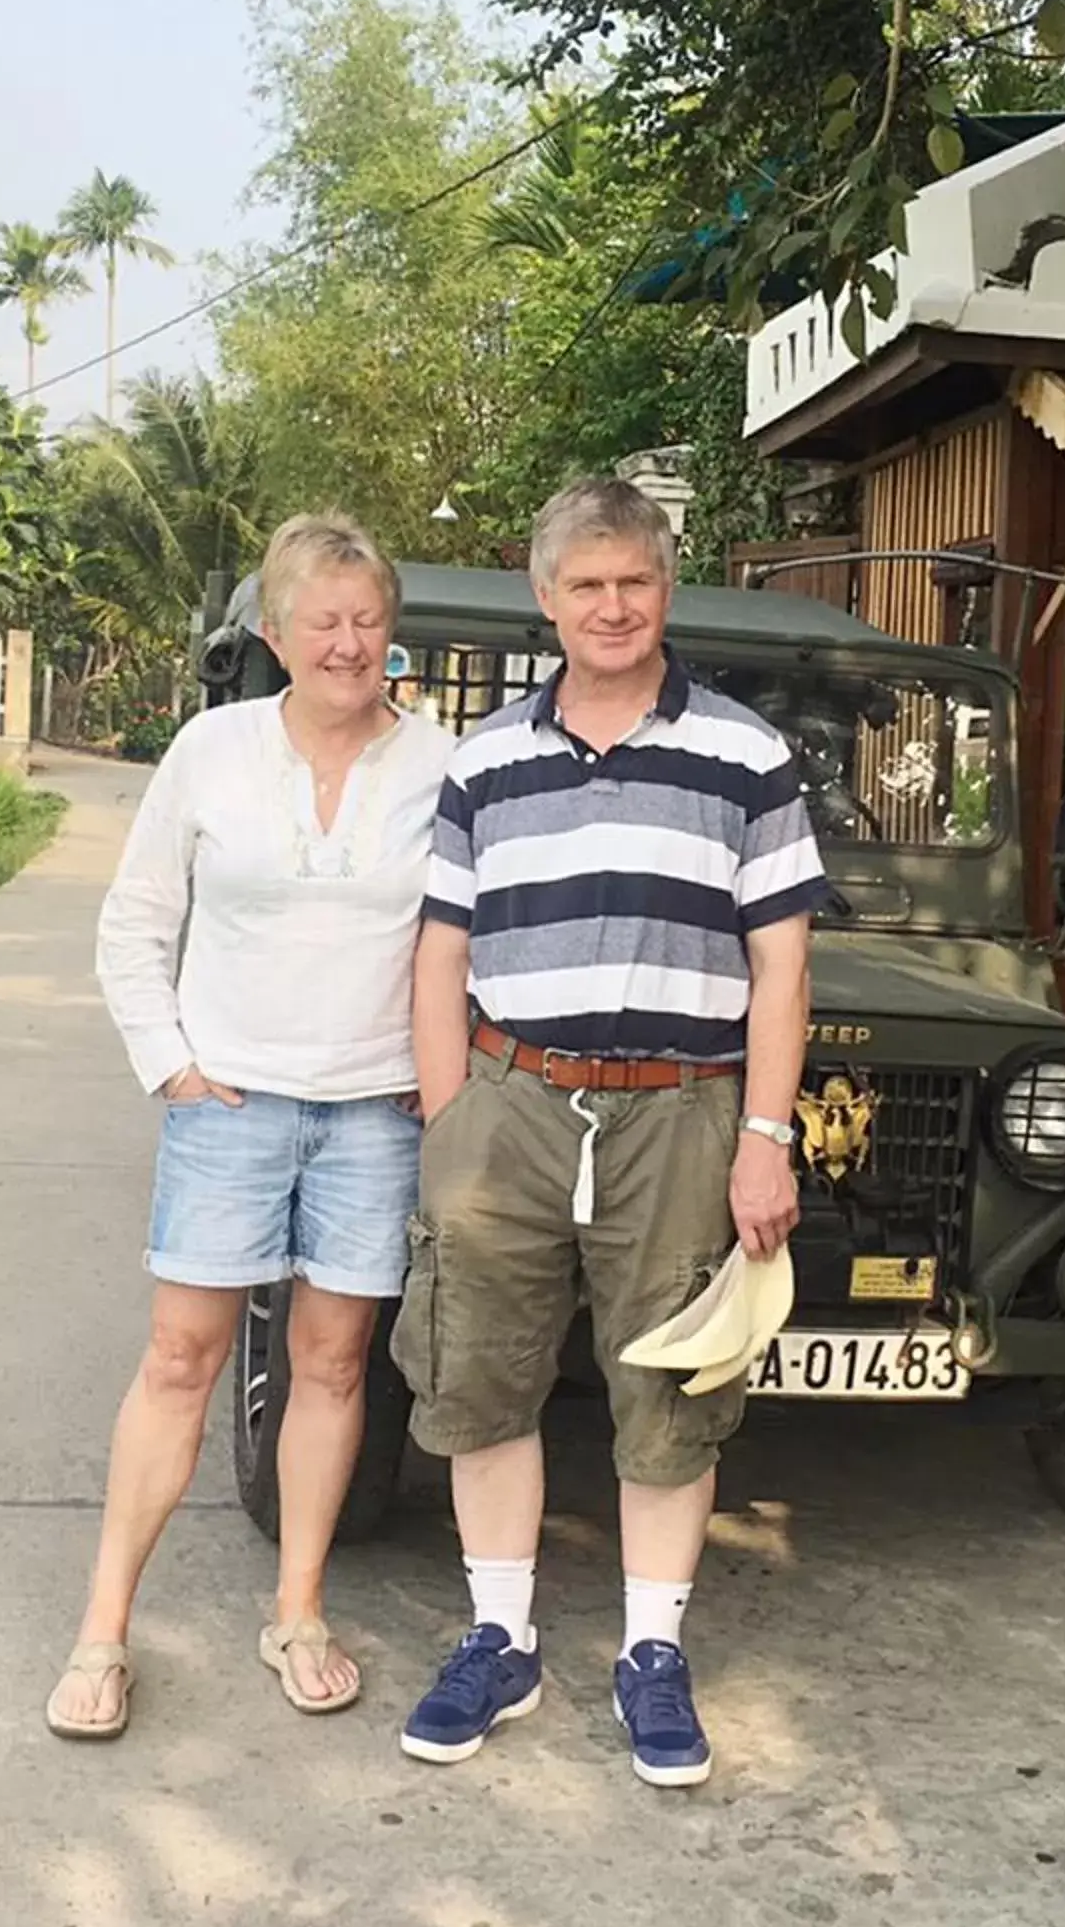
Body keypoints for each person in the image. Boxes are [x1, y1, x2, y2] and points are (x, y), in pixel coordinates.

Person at [395, 477, 828, 1788]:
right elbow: (438, 953)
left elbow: (784, 970)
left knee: (671, 1387)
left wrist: (765, 1133)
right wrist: (448, 1116)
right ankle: (500, 1633)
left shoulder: (746, 756)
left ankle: (651, 1650)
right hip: (509, 1105)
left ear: (666, 587)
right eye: (584, 585)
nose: (612, 606)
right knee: (481, 1375)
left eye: (633, 581)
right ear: (546, 599)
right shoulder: (485, 762)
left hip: (680, 1113)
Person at [52, 513, 454, 1740]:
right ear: (274, 634)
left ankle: (298, 1612)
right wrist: (170, 1067)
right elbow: (135, 923)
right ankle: (102, 1636)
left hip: (371, 1116)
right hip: (228, 1106)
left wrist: (430, 1078)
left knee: (334, 1368)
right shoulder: (211, 752)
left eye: (367, 620)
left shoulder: (440, 766)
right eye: (321, 621)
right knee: (181, 1361)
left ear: (393, 635)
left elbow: (468, 938)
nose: (346, 642)